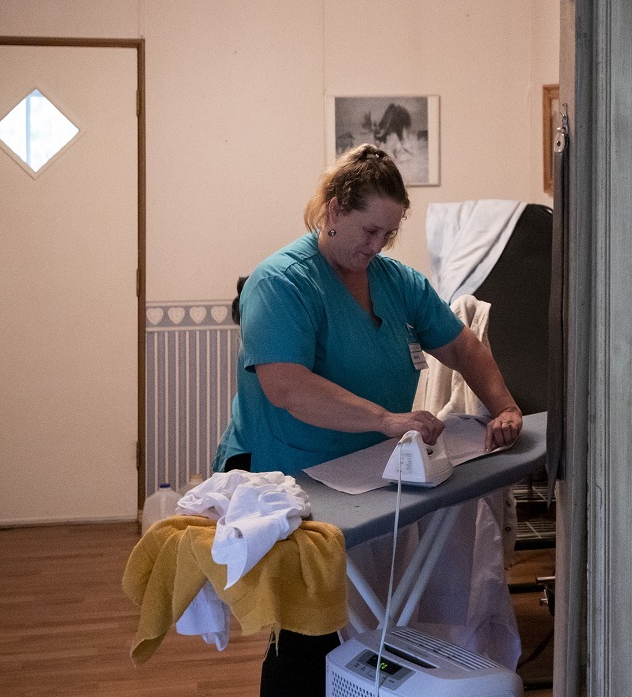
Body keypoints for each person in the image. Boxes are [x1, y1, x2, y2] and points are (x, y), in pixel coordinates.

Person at [214, 143, 523, 696]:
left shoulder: (395, 281)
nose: (377, 245)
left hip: (366, 477)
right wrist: (385, 420)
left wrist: (504, 406)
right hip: (293, 473)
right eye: (368, 230)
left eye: (389, 234)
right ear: (333, 210)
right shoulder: (282, 283)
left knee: (373, 623)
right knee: (308, 634)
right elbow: (286, 385)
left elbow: (462, 346)